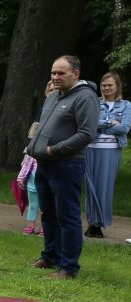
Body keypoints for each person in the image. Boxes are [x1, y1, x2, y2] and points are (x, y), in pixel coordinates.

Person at [26, 56, 98, 279]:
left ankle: (68, 268)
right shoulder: (54, 95)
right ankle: (50, 256)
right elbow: (41, 125)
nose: (55, 77)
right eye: (53, 73)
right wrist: (33, 144)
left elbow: (86, 134)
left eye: (61, 73)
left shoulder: (86, 97)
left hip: (67, 164)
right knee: (48, 214)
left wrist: (53, 150)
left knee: (67, 216)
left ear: (75, 74)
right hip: (44, 164)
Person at [84, 71, 130, 238]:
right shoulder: (94, 103)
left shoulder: (126, 105)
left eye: (110, 85)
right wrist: (111, 123)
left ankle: (99, 223)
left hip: (111, 151)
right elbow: (89, 123)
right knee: (91, 186)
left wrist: (101, 124)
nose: (106, 88)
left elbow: (124, 128)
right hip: (91, 148)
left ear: (117, 86)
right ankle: (91, 223)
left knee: (105, 186)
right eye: (104, 85)